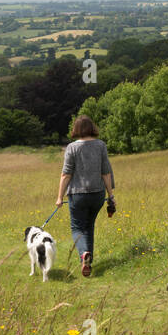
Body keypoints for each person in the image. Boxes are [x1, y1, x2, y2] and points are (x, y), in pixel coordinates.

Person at [55, 116, 115, 277]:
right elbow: (106, 172)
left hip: (78, 195)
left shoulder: (72, 148)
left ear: (76, 129)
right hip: (97, 195)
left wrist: (60, 197)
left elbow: (66, 174)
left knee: (77, 228)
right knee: (89, 227)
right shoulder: (100, 145)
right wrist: (111, 195)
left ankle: (83, 255)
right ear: (92, 128)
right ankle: (87, 261)